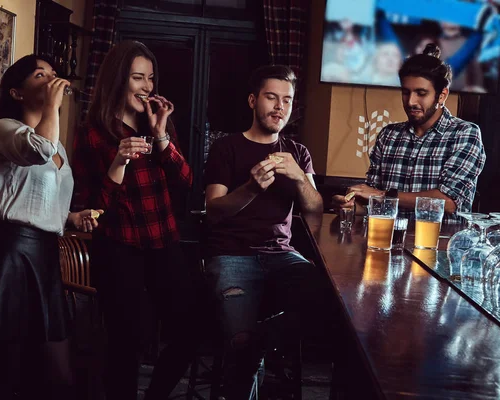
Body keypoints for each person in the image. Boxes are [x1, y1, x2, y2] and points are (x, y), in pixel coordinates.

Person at [0, 54, 100, 400]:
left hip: (47, 254)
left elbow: (36, 196)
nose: (51, 80)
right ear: (17, 93)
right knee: (7, 368)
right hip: (13, 256)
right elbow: (38, 149)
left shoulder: (58, 144)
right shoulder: (5, 129)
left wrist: (71, 218)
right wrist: (53, 107)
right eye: (40, 75)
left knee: (58, 373)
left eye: (52, 74)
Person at [71, 40, 197, 400]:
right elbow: (91, 210)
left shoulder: (156, 125)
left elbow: (185, 183)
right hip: (118, 247)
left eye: (151, 78)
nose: (147, 87)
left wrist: (161, 136)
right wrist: (119, 162)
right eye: (138, 77)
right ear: (117, 80)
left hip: (163, 240)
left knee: (189, 331)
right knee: (126, 343)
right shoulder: (93, 132)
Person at [203, 65, 326, 399]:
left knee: (329, 297)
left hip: (282, 256)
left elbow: (316, 209)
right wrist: (250, 189)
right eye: (271, 97)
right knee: (240, 350)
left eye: (286, 100)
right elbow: (213, 210)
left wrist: (300, 177)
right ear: (252, 100)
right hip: (232, 256)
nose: (279, 107)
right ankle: (250, 347)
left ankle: (255, 343)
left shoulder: (298, 153)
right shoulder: (226, 148)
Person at [333, 44, 486, 221]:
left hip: (442, 244)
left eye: (421, 93)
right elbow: (372, 202)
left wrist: (383, 195)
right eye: (406, 92)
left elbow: (449, 202)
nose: (411, 101)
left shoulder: (464, 134)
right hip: (388, 241)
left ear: (442, 95)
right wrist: (351, 206)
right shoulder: (389, 135)